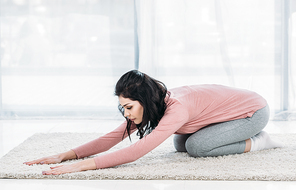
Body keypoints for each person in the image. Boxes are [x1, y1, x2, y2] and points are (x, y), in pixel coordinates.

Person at [24, 70, 283, 175]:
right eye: (122, 107)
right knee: (181, 143)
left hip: (254, 111)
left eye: (128, 107)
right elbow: (113, 137)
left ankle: (259, 141)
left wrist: (79, 167)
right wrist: (65, 156)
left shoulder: (176, 109)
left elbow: (136, 152)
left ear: (143, 100)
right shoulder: (154, 104)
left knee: (198, 148)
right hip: (226, 112)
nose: (125, 114)